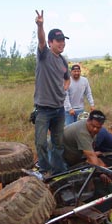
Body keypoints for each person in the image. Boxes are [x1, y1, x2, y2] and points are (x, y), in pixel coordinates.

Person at [33, 10, 70, 177]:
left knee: (58, 144)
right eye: (59, 40)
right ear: (50, 42)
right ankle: (45, 170)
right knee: (41, 143)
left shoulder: (63, 61)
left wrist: (64, 89)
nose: (62, 43)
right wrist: (40, 25)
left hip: (59, 109)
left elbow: (67, 79)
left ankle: (58, 172)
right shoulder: (44, 55)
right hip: (43, 109)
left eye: (63, 40)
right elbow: (40, 40)